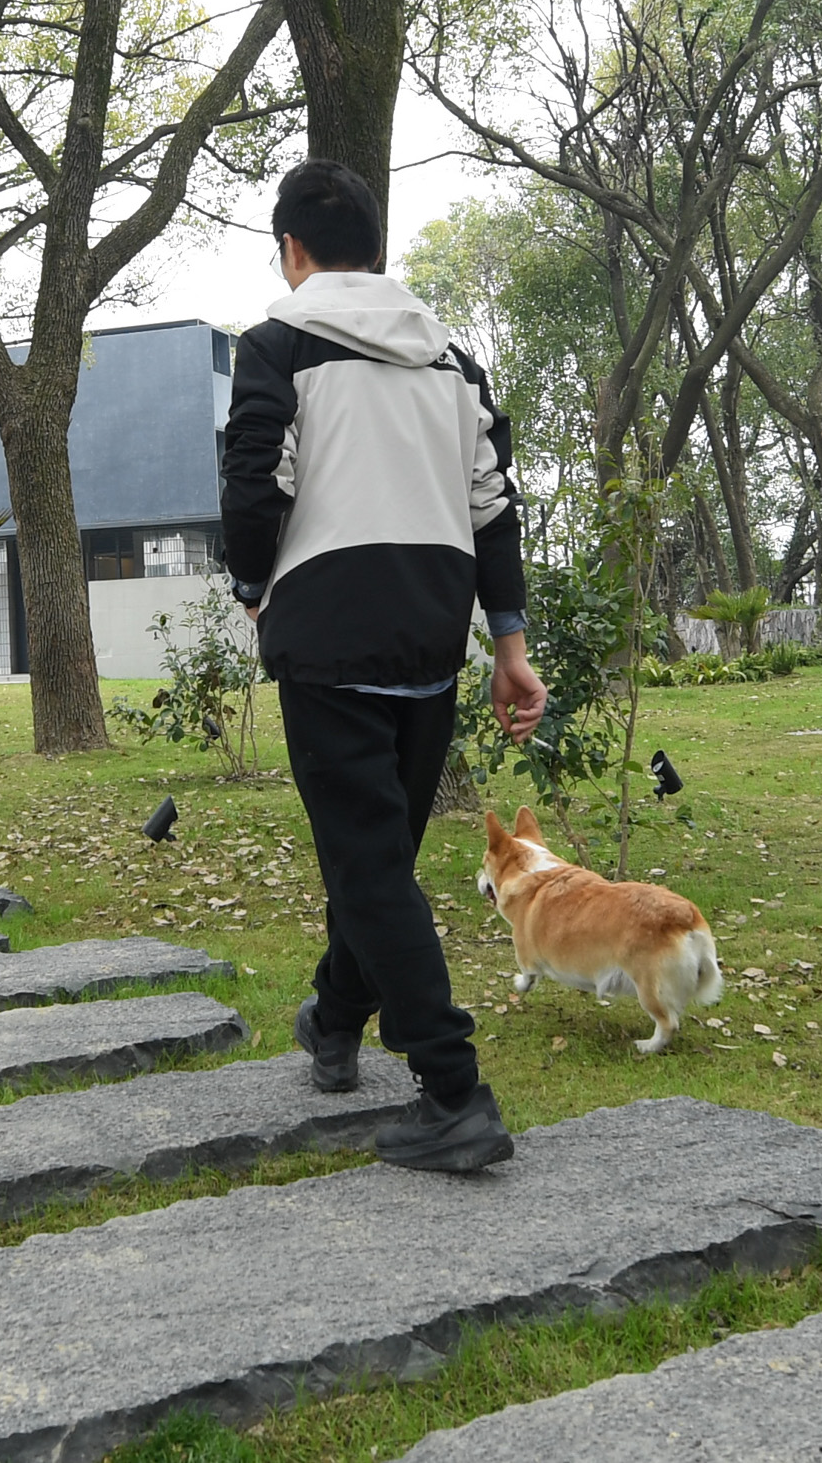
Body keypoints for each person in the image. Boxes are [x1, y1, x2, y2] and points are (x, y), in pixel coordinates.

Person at [221, 158, 545, 1174]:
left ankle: (453, 1090)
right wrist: (509, 644)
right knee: (378, 863)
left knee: (366, 864)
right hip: (431, 627)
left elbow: (251, 477)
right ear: (379, 248)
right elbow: (492, 504)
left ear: (292, 246)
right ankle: (331, 1015)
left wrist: (250, 585)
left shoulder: (276, 340)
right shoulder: (451, 360)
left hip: (327, 623)